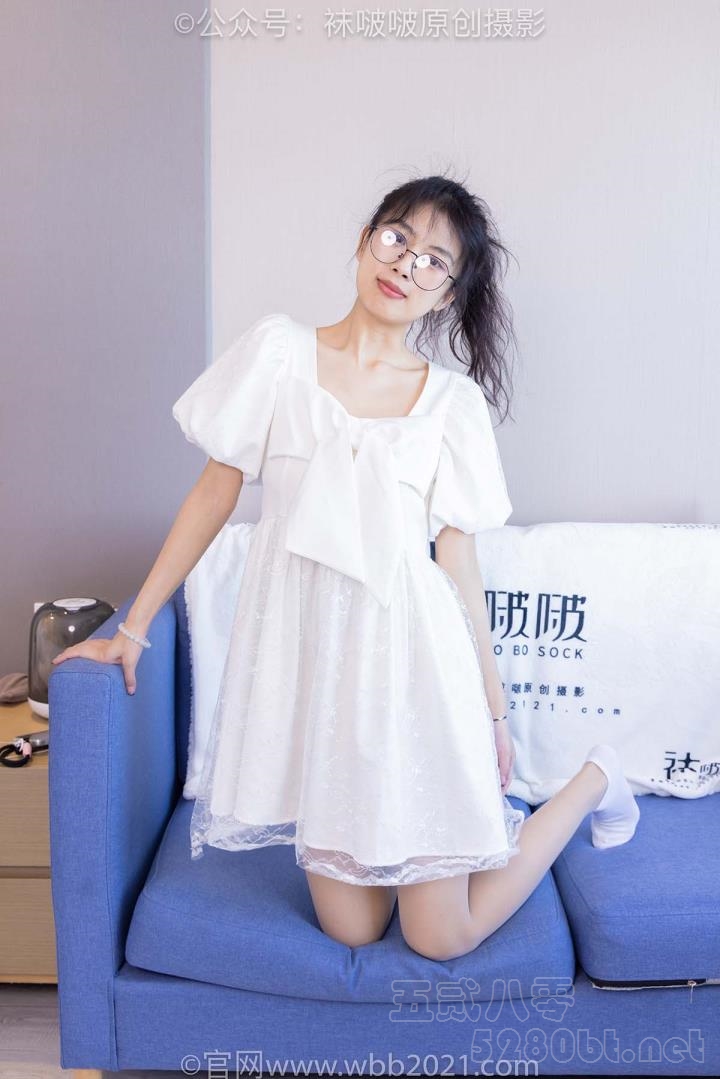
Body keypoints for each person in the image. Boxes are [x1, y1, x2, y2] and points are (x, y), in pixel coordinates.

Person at [52, 173, 640, 961]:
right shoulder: (279, 354)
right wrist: (133, 628)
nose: (406, 264)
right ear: (366, 241)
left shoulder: (451, 405)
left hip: (416, 673)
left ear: (446, 294)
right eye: (397, 237)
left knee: (441, 936)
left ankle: (595, 779)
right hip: (319, 681)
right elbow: (213, 494)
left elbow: (457, 562)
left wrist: (493, 712)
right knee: (353, 928)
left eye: (434, 261)